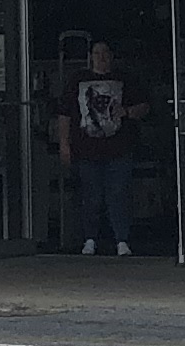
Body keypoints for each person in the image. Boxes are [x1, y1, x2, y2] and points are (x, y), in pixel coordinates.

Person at [61, 40, 143, 256]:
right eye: (97, 53)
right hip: (86, 149)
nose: (102, 57)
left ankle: (122, 241)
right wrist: (64, 144)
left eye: (105, 52)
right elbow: (65, 114)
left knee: (119, 195)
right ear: (91, 56)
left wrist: (126, 112)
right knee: (91, 196)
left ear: (111, 56)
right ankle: (89, 240)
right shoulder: (77, 80)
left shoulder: (125, 79)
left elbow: (144, 106)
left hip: (119, 149)